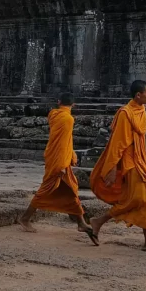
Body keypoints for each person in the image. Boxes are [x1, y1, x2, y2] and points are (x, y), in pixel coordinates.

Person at [89, 80, 146, 254]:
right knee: (140, 199)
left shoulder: (141, 111)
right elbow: (118, 143)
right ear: (138, 95)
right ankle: (99, 221)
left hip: (139, 159)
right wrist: (112, 167)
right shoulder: (125, 113)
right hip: (129, 162)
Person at [18, 92, 97, 244]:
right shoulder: (68, 118)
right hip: (59, 161)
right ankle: (25, 218)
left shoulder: (53, 114)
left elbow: (64, 140)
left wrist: (70, 155)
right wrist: (63, 163)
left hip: (56, 157)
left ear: (59, 102)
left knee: (71, 189)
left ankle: (81, 223)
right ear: (73, 105)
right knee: (46, 189)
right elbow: (62, 143)